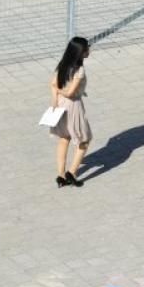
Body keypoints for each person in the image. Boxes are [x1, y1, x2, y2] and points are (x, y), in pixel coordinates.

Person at [49, 37, 92, 188]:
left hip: (59, 105)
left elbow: (53, 84)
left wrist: (55, 102)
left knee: (64, 138)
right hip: (73, 106)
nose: (89, 50)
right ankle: (72, 173)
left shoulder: (62, 65)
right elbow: (70, 93)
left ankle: (60, 174)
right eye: (87, 48)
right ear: (81, 53)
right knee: (84, 140)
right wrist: (64, 91)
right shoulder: (79, 70)